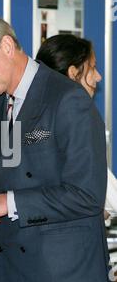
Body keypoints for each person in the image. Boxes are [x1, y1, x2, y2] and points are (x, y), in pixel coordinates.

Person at [0, 12, 116, 282]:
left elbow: (87, 196)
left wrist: (9, 202)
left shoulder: (68, 99)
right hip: (11, 273)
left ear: (6, 46)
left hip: (64, 279)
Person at [36, 34, 117, 224]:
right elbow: (109, 199)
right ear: (73, 73)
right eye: (93, 67)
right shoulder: (78, 119)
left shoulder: (31, 120)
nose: (98, 77)